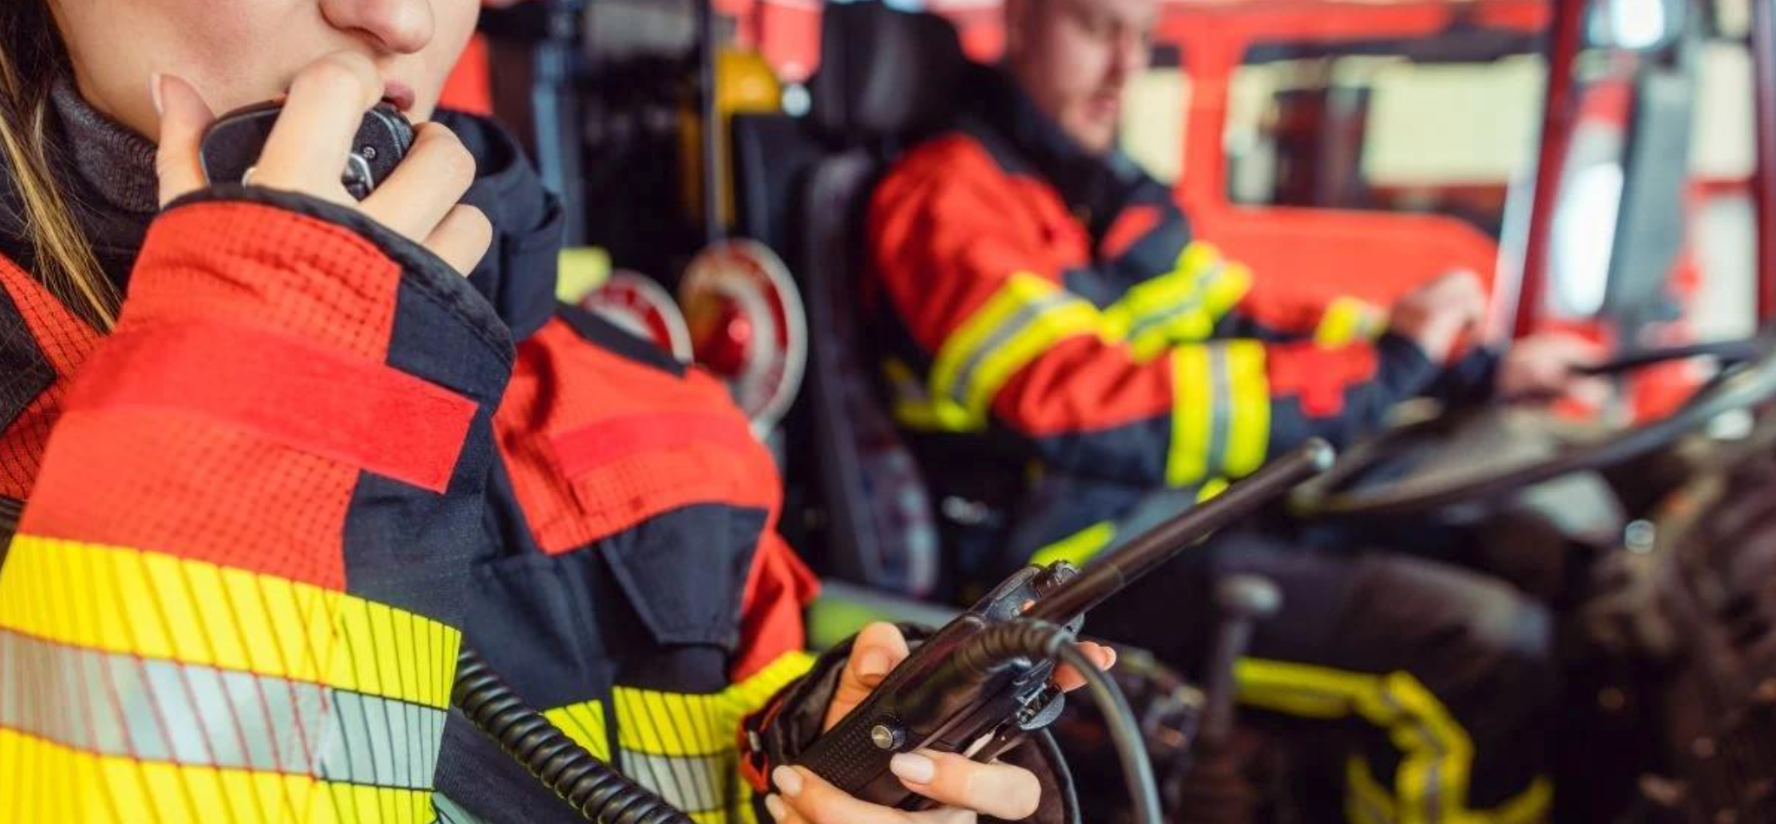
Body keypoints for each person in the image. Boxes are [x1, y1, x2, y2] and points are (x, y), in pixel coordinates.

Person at [0, 1, 1112, 822]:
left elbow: (710, 742)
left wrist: (829, 762)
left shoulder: (658, 416)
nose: (401, 19)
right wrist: (266, 411)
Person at [865, 0, 1599, 820]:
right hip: (1076, 571)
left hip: (1179, 518)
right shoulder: (947, 200)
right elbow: (1088, 408)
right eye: (1097, 28)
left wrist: (1459, 363)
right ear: (1022, 23)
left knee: (1525, 545)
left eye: (1143, 36)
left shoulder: (1093, 189)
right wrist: (1386, 372)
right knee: (1485, 655)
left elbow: (1242, 317)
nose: (1126, 67)